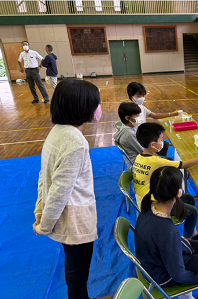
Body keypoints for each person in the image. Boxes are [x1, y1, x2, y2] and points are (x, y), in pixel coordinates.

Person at [33, 79, 111, 299]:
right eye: (98, 103)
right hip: (75, 223)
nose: (100, 108)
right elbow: (59, 191)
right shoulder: (75, 142)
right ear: (82, 106)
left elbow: (44, 177)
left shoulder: (57, 131)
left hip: (68, 220)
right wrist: (44, 226)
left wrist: (39, 210)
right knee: (78, 276)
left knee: (74, 271)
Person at [135, 166, 198, 299]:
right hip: (162, 275)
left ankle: (186, 295)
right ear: (179, 193)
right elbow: (177, 274)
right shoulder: (167, 230)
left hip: (154, 260)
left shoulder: (149, 206)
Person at [133, 122, 198, 245]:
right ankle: (188, 243)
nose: (163, 142)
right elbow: (183, 165)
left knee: (190, 198)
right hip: (151, 205)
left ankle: (194, 236)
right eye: (161, 139)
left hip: (145, 197)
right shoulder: (155, 161)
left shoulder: (140, 157)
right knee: (193, 212)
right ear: (153, 145)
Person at [127, 82, 178, 157]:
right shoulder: (129, 111)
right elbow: (132, 134)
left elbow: (154, 115)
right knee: (162, 145)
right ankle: (158, 161)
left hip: (144, 138)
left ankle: (160, 161)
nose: (142, 97)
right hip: (141, 142)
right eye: (138, 95)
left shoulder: (141, 107)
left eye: (143, 95)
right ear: (132, 97)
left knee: (165, 144)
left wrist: (171, 114)